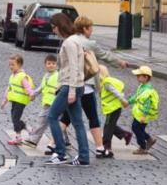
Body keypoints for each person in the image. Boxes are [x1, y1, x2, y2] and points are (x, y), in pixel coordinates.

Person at [47, 16, 129, 157]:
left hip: (73, 86)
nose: (91, 31)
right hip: (85, 86)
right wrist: (119, 62)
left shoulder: (71, 40)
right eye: (91, 28)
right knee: (91, 118)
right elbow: (104, 55)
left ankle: (53, 144)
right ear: (85, 29)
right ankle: (98, 148)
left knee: (67, 118)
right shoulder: (85, 43)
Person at [44, 13, 90, 166]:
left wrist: (70, 90)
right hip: (75, 85)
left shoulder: (70, 42)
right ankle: (83, 157)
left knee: (52, 116)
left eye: (54, 27)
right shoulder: (75, 39)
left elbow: (73, 67)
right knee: (78, 123)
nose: (53, 30)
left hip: (71, 86)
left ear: (60, 26)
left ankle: (60, 152)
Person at [23, 54, 59, 153]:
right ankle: (64, 141)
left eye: (53, 63)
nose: (51, 65)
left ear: (56, 65)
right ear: (45, 64)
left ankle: (33, 140)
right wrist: (33, 94)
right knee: (47, 121)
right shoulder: (46, 76)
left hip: (56, 102)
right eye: (49, 63)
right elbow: (42, 87)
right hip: (47, 102)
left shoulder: (58, 75)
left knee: (46, 121)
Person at [0, 54, 35, 145]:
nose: (11, 66)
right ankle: (28, 128)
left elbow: (27, 87)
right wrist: (4, 100)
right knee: (14, 118)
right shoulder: (13, 76)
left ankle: (18, 138)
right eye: (10, 64)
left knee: (15, 118)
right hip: (15, 100)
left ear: (19, 65)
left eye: (13, 64)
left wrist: (31, 95)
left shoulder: (22, 76)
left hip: (21, 101)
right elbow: (9, 89)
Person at [98, 64, 131, 158]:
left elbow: (116, 92)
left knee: (108, 126)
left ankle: (106, 145)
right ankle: (125, 134)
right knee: (110, 125)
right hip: (113, 108)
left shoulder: (107, 83)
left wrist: (123, 100)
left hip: (113, 108)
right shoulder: (104, 83)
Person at [128, 66, 160, 155]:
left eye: (139, 75)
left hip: (142, 115)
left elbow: (147, 105)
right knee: (139, 129)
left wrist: (144, 116)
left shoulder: (148, 91)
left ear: (146, 77)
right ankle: (149, 140)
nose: (137, 77)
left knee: (136, 128)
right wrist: (128, 102)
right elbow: (136, 97)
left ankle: (143, 147)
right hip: (139, 114)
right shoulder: (142, 87)